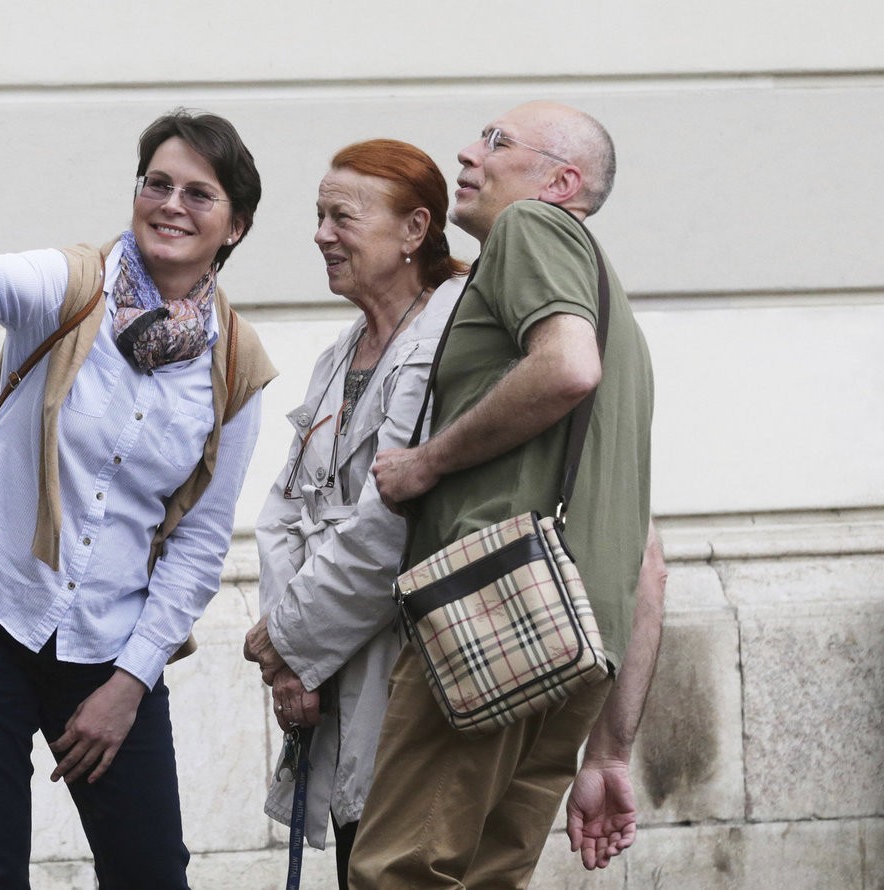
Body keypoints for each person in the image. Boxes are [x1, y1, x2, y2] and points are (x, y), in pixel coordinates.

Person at [0, 88, 275, 890]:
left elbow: (202, 546)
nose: (170, 204)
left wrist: (130, 683)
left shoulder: (236, 367)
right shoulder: (73, 287)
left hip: (108, 646)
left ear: (234, 225)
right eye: (156, 183)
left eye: (198, 193)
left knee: (150, 873)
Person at [354, 101, 666, 889]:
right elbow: (648, 561)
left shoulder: (533, 228)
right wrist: (612, 748)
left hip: (495, 613)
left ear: (561, 183)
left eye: (496, 142)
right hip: (580, 644)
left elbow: (564, 367)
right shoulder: (615, 314)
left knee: (401, 871)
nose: (468, 154)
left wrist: (425, 464)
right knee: (488, 877)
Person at [242, 138, 469, 888]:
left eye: (343, 216)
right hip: (327, 666)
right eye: (318, 215)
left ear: (415, 231)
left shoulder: (447, 340)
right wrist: (290, 658)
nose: (320, 234)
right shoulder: (341, 352)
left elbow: (386, 526)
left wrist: (289, 643)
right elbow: (283, 512)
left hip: (401, 670)